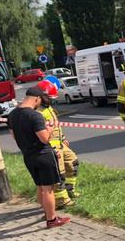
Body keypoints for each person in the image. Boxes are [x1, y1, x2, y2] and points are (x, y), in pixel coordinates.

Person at [8, 86, 71, 228]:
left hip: (28, 156)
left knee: (39, 187)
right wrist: (50, 127)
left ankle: (47, 213)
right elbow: (44, 138)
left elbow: (13, 136)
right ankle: (52, 220)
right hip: (43, 155)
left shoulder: (12, 115)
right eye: (39, 101)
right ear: (36, 99)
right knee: (48, 189)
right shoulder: (35, 115)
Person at [37, 80, 77, 209]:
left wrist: (63, 137)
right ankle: (61, 200)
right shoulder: (37, 112)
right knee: (59, 173)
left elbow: (55, 125)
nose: (51, 100)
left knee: (73, 162)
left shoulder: (48, 108)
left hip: (59, 143)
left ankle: (70, 189)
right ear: (41, 96)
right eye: (49, 97)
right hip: (50, 146)